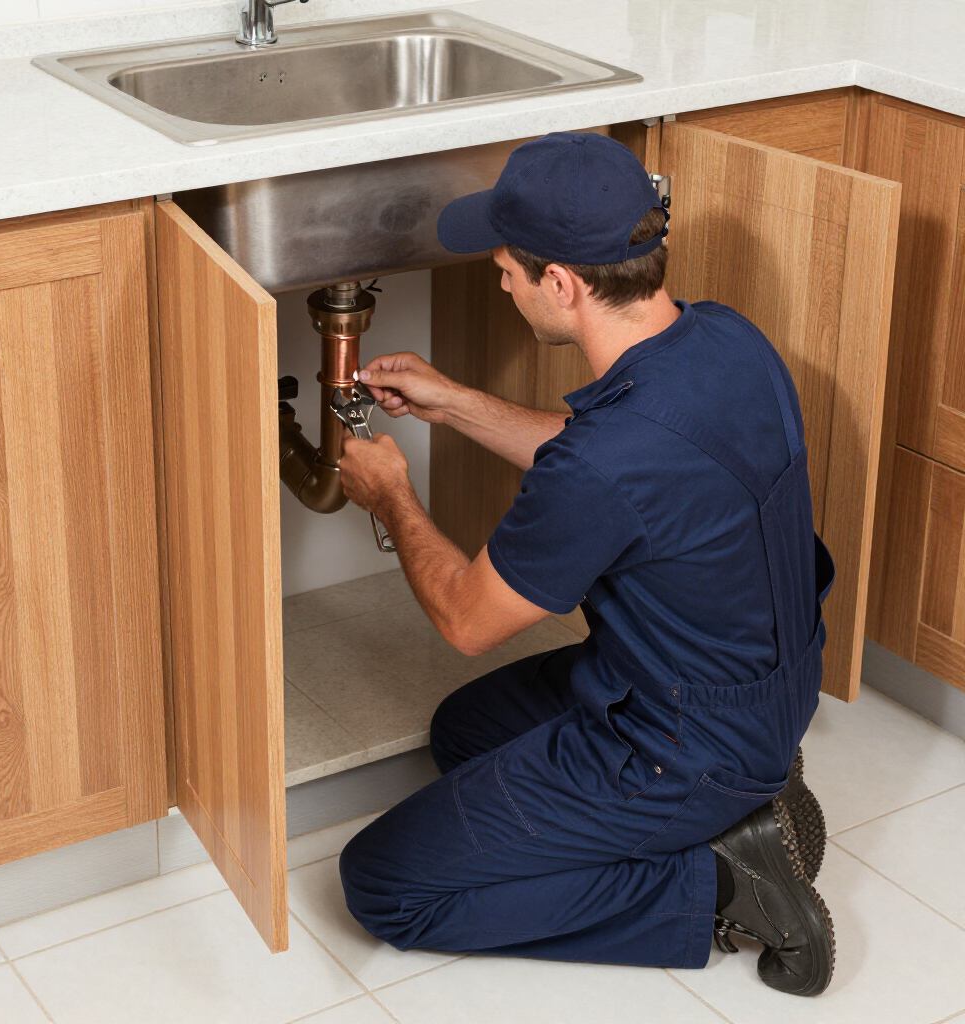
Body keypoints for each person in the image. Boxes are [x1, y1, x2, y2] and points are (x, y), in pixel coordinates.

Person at [336, 132, 835, 997]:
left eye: (507, 269)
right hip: (760, 693)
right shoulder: (725, 342)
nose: (499, 281)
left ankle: (722, 887)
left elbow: (466, 619)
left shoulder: (608, 463)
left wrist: (391, 496)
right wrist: (454, 405)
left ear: (560, 283)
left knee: (384, 884)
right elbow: (611, 463)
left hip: (680, 741)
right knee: (463, 732)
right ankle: (744, 804)